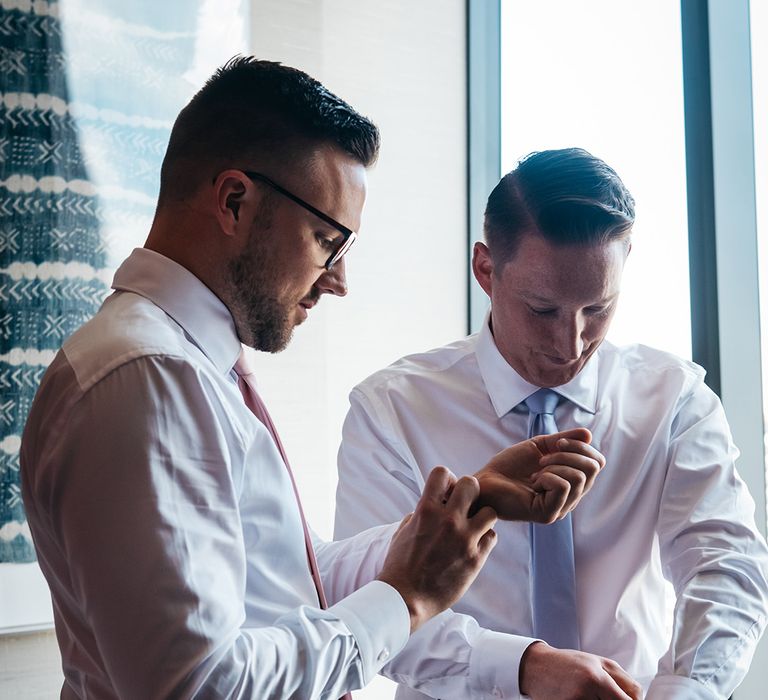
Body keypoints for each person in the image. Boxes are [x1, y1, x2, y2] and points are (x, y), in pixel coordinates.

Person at [20, 60, 606, 699]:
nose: (338, 280)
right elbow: (200, 687)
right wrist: (406, 599)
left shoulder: (189, 369)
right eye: (328, 240)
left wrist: (467, 509)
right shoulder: (151, 379)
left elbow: (289, 580)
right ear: (234, 201)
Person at [335, 148, 768, 700]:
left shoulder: (675, 400)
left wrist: (685, 690)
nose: (572, 343)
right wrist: (523, 668)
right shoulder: (391, 410)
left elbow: (725, 566)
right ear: (486, 270)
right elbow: (375, 606)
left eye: (598, 308)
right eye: (543, 310)